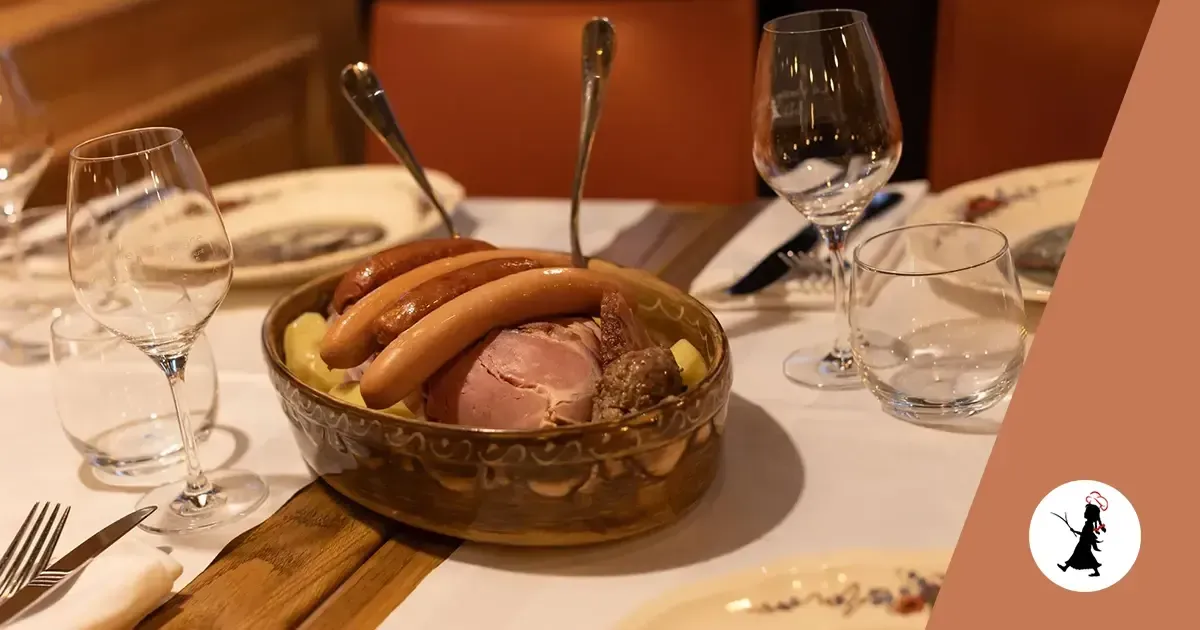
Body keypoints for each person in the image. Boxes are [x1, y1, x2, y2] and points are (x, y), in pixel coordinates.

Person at [1057, 503, 1106, 577]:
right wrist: (1074, 531)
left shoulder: (1089, 525)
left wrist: (1074, 531)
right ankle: (1065, 567)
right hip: (1084, 542)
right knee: (1078, 555)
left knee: (1084, 556)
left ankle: (1065, 567)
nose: (1084, 513)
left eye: (1086, 512)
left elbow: (1084, 534)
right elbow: (1085, 534)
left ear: (1090, 514)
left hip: (1084, 543)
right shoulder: (1089, 524)